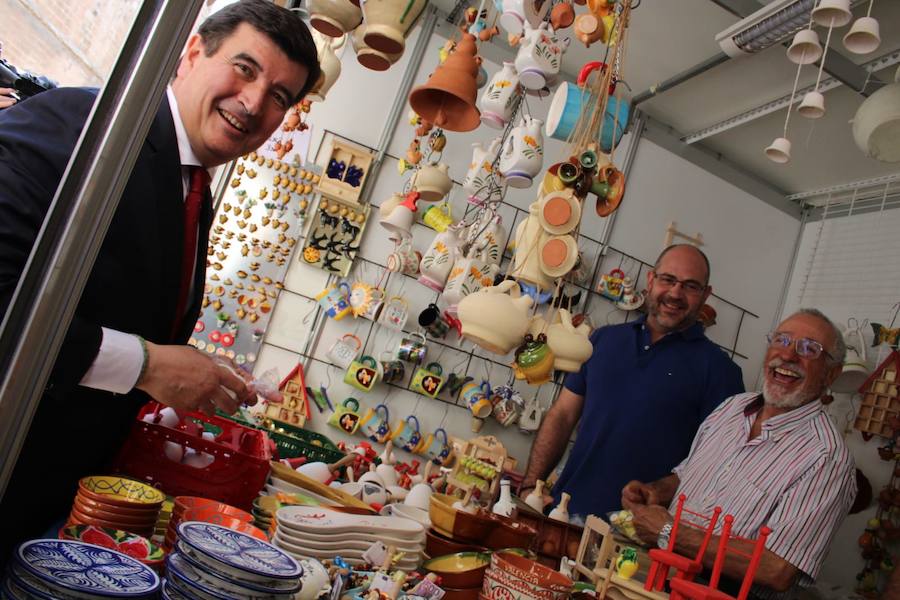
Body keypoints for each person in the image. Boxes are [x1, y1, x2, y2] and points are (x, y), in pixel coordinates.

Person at [0, 0, 319, 561]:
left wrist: (184, 366)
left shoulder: (190, 186)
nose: (252, 103)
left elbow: (116, 311)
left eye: (278, 97)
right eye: (244, 69)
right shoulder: (84, 128)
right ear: (192, 52)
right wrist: (147, 364)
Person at [622, 308, 856, 598]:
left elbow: (777, 569)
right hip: (660, 576)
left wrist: (670, 533)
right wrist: (656, 491)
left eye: (809, 349)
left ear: (831, 374)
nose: (788, 355)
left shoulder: (826, 459)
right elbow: (689, 476)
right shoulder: (732, 408)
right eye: (782, 340)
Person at [520, 244, 744, 519]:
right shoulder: (603, 340)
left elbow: (715, 467)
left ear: (706, 295)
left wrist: (658, 495)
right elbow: (562, 416)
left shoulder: (722, 373)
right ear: (650, 280)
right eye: (668, 279)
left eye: (690, 286)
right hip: (562, 513)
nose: (675, 293)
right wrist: (531, 487)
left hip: (634, 536)